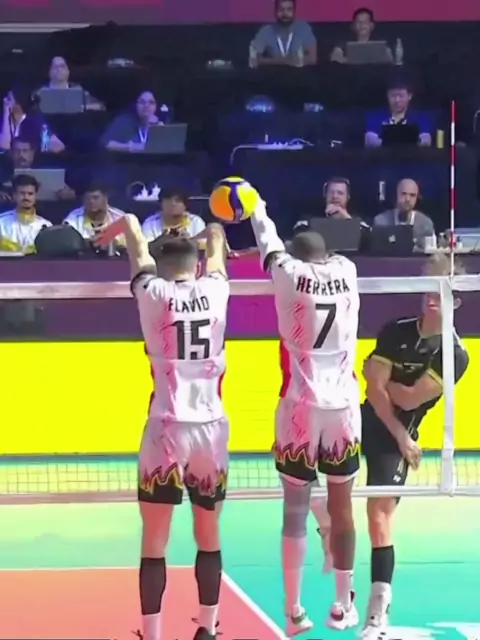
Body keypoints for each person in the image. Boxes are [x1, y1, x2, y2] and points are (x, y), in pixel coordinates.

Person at [93, 215, 230, 640]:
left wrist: (118, 229)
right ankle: (207, 628)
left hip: (166, 428)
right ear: (197, 263)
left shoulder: (152, 292)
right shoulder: (216, 288)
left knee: (155, 539)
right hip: (210, 428)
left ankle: (151, 634)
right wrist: (207, 232)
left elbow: (135, 236)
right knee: (208, 533)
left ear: (160, 264)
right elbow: (218, 237)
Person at [249, 200, 361, 634]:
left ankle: (294, 610)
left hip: (300, 405)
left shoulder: (288, 273)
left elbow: (269, 242)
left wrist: (256, 205)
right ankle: (342, 603)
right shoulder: (347, 271)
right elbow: (329, 253)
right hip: (342, 408)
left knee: (294, 511)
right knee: (342, 506)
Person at [360, 254, 469, 639]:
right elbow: (374, 390)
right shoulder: (396, 330)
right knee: (310, 480)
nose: (432, 298)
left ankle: (378, 614)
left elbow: (406, 398)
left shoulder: (455, 355)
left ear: (456, 300)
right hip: (366, 422)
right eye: (428, 291)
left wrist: (379, 382)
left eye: (441, 293)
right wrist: (396, 424)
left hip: (397, 436)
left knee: (378, 516)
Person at [101, 90, 170, 153]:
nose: (146, 105)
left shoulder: (160, 125)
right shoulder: (124, 121)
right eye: (142, 102)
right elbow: (106, 143)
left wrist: (161, 131)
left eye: (151, 102)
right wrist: (130, 147)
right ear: (136, 105)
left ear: (155, 106)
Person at [252, 0, 317, 67]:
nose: (285, 14)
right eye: (281, 10)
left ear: (294, 11)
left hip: (299, 72)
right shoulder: (266, 31)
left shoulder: (304, 29)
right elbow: (255, 59)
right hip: (272, 72)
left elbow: (313, 59)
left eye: (289, 10)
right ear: (275, 12)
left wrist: (276, 60)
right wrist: (286, 61)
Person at [0, 173, 51, 255]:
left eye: (30, 194)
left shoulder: (47, 227)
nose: (26, 197)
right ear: (14, 195)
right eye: (22, 193)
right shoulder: (1, 223)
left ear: (35, 196)